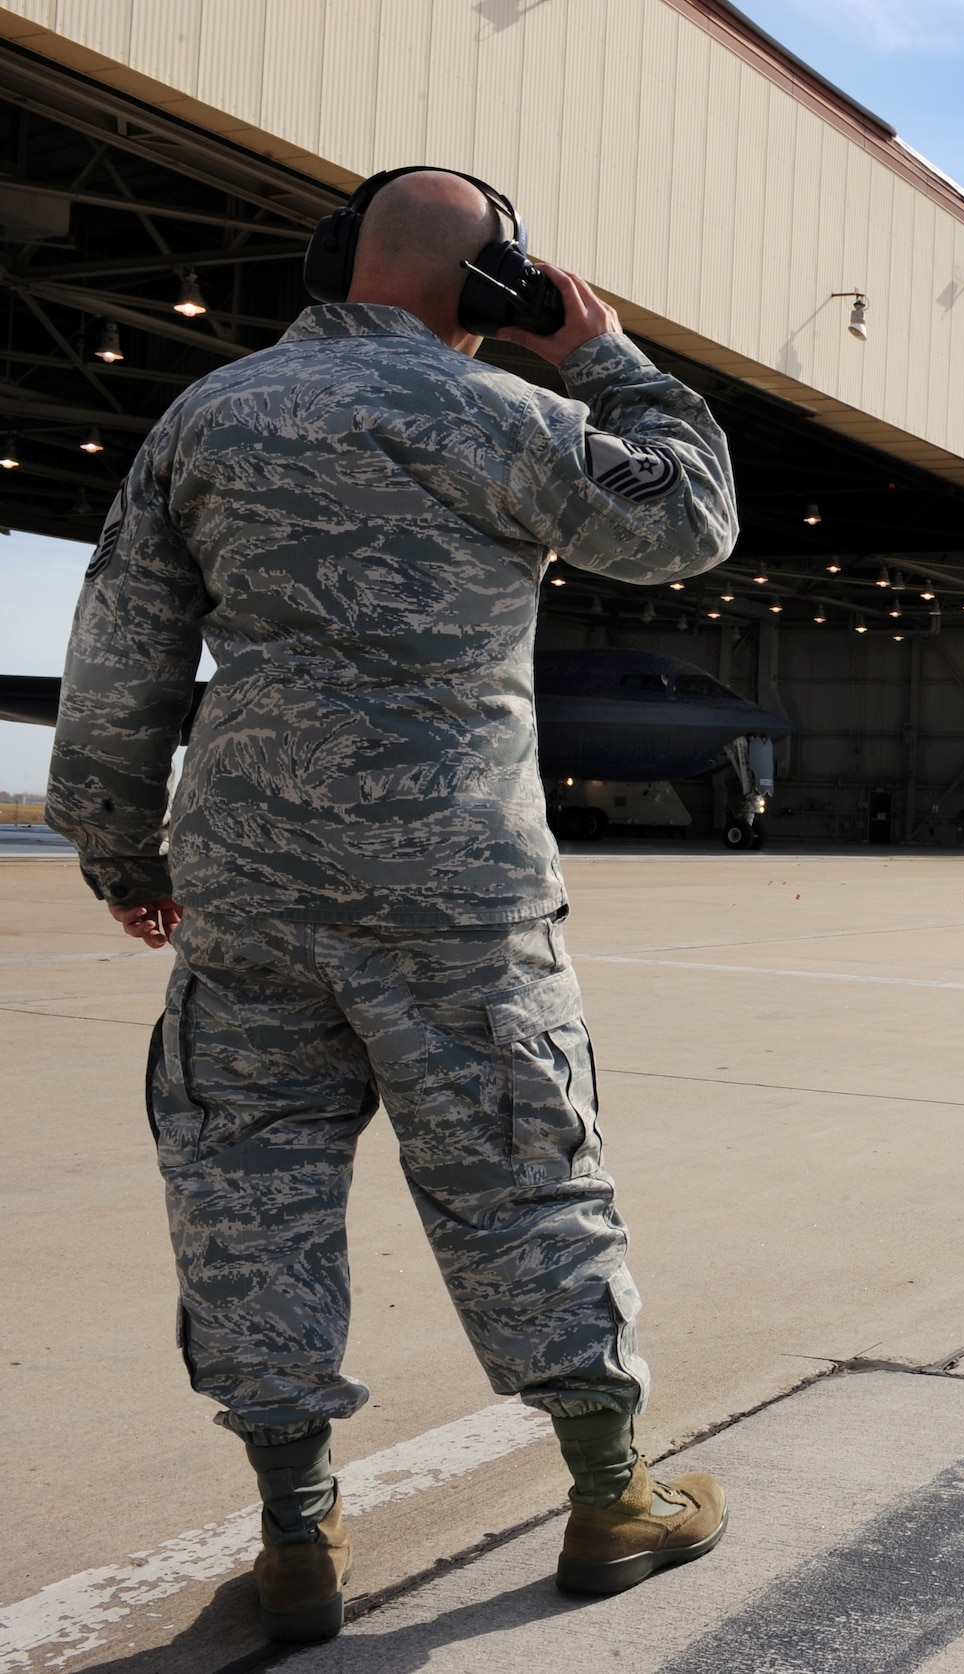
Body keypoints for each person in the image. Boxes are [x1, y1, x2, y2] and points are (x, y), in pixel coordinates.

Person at [46, 170, 737, 1643]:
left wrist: (123, 856)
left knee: (247, 1199)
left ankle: (297, 1538)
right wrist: (599, 354)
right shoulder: (514, 420)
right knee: (524, 1178)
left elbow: (119, 661)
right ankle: (612, 1495)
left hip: (248, 892)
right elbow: (688, 518)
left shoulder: (211, 416)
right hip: (458, 894)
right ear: (501, 287)